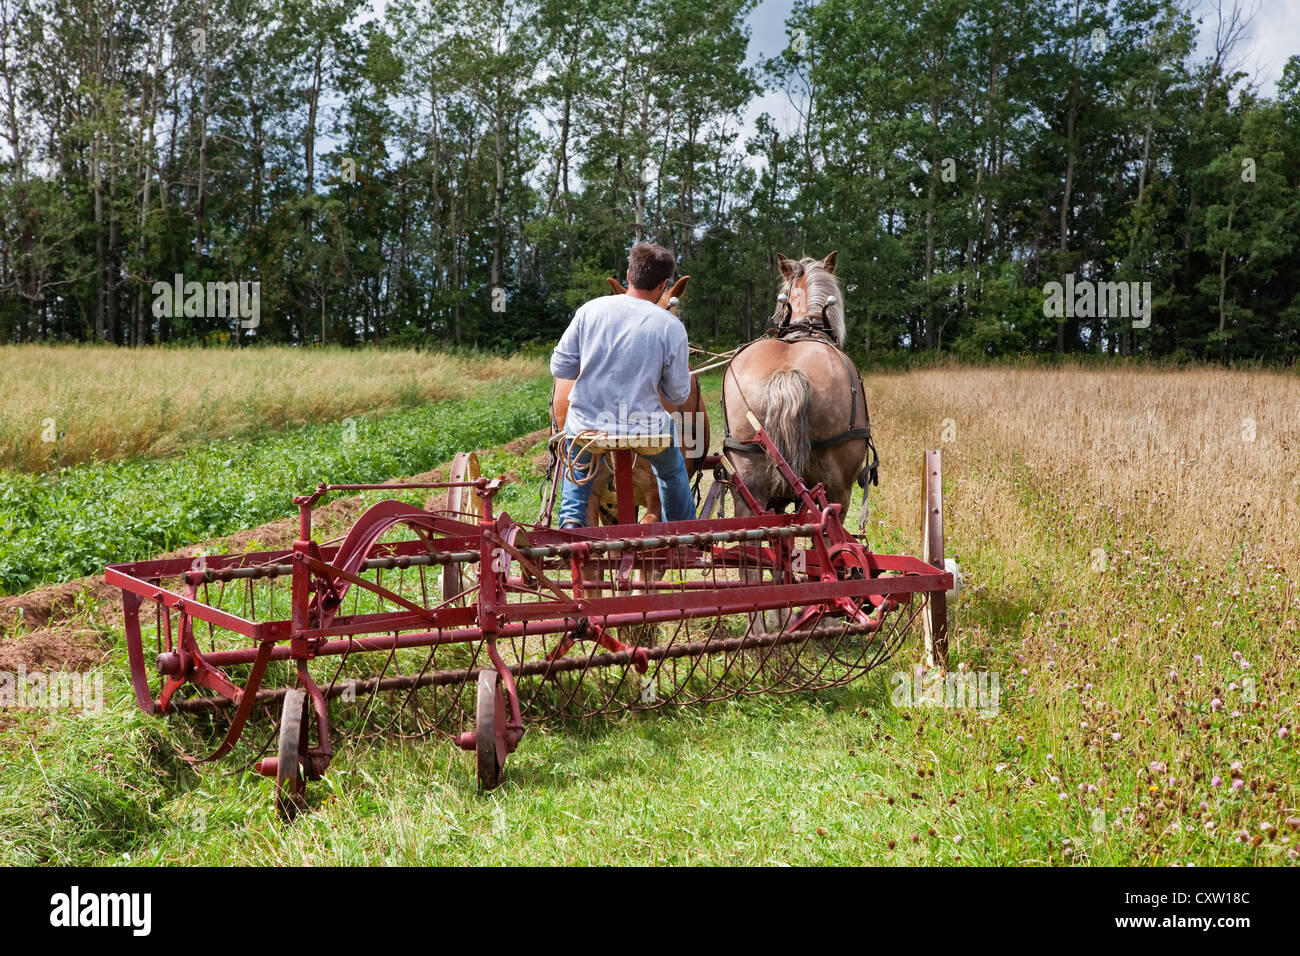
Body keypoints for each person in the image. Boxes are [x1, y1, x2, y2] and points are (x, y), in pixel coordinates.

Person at [550, 242, 696, 528]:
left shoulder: (589, 311)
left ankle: (571, 521)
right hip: (645, 428)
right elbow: (678, 393)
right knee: (672, 472)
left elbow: (560, 368)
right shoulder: (671, 326)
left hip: (589, 426)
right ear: (664, 284)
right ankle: (683, 528)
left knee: (577, 459)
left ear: (628, 275)